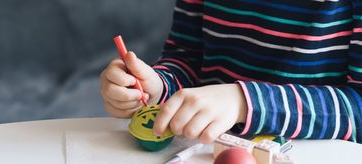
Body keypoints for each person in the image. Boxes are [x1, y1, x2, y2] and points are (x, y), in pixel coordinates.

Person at [100, 0, 362, 144]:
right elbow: (187, 56)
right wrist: (159, 87)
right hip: (208, 156)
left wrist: (244, 103)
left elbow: (358, 109)